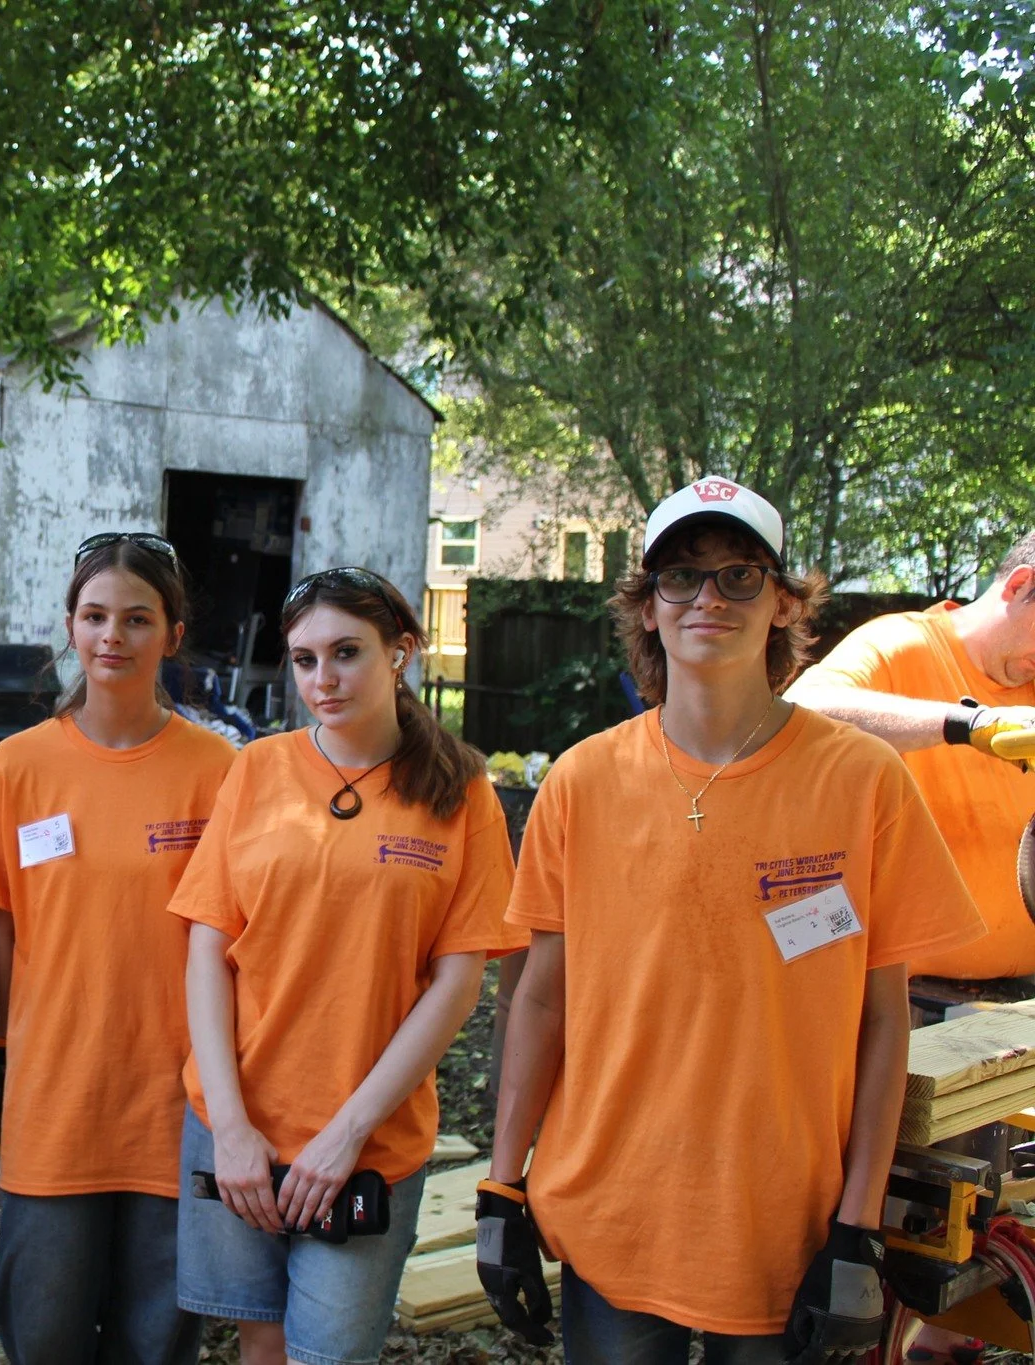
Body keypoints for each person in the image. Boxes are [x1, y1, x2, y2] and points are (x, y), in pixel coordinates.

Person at [477, 475, 985, 1365]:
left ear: (784, 600)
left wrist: (858, 1227)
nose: (708, 597)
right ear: (647, 607)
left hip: (786, 1225)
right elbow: (540, 1003)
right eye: (681, 575)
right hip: (612, 1213)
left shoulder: (863, 780)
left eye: (739, 575)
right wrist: (500, 1187)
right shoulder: (581, 783)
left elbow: (882, 1020)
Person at [168, 564, 519, 1365]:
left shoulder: (461, 793)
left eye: (346, 652)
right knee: (260, 1346)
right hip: (238, 1127)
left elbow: (458, 984)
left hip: (368, 1143)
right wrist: (229, 1127)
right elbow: (207, 952)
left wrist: (346, 1133)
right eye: (303, 659)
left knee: (327, 1354)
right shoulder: (256, 770)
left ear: (400, 653)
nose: (322, 679)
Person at [0, 530, 238, 1365]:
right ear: (71, 629)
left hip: (178, 1096)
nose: (114, 635)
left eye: (137, 618)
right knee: (43, 1332)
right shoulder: (17, 767)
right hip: (58, 1094)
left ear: (173, 634)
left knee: (157, 1341)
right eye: (95, 615)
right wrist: (10, 1046)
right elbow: (0, 924)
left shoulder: (218, 769)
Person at [787, 532, 1035, 981]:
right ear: (1019, 586)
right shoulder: (902, 643)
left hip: (1020, 1004)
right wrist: (968, 725)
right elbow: (802, 716)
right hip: (912, 998)